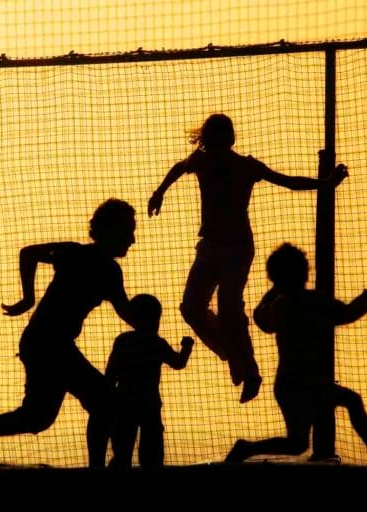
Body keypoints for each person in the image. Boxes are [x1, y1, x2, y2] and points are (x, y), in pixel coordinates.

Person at [147, 113, 348, 404]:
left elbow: (288, 182)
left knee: (229, 309)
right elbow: (179, 168)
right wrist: (159, 192)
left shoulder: (245, 166)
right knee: (191, 307)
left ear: (228, 139)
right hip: (210, 245)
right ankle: (234, 356)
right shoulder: (202, 161)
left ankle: (248, 369)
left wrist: (325, 183)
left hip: (237, 248)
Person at [0, 198, 138, 468]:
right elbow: (29, 253)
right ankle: (99, 467)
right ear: (111, 231)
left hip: (47, 343)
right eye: (128, 232)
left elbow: (30, 253)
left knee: (38, 417)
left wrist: (149, 323)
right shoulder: (82, 257)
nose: (132, 240)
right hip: (48, 344)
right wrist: (29, 297)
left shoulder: (97, 266)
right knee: (104, 402)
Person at [224, 242, 367, 465]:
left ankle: (245, 449)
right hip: (305, 383)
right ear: (304, 272)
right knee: (348, 401)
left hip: (289, 385)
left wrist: (274, 290)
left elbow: (260, 318)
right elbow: (345, 314)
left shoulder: (280, 305)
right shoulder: (312, 300)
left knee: (297, 443)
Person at [106, 294, 194, 468]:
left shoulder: (124, 341)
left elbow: (111, 373)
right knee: (152, 454)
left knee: (122, 451)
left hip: (125, 402)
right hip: (149, 403)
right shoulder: (157, 343)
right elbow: (178, 363)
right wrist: (186, 348)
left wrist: (109, 400)